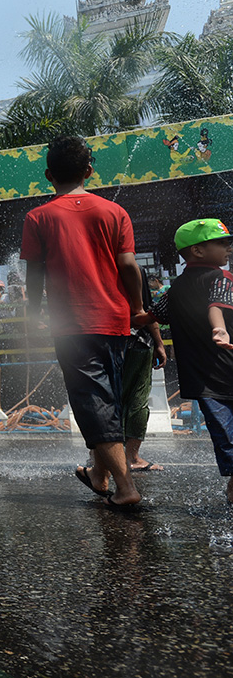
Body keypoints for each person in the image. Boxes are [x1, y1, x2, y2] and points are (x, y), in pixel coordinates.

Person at [21, 135, 146, 509]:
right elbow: (128, 266)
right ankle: (99, 475)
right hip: (116, 320)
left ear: (48, 175)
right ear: (89, 171)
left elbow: (35, 275)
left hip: (72, 324)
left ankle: (125, 488)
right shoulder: (113, 212)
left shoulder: (38, 217)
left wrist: (33, 312)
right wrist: (137, 308)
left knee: (94, 402)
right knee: (107, 399)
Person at [140, 219, 233, 502]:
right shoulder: (221, 278)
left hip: (202, 378)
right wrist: (219, 328)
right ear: (198, 251)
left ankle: (232, 487)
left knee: (224, 433)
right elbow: (215, 305)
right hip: (227, 369)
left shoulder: (176, 288)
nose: (228, 248)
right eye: (221, 243)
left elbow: (149, 316)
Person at [121, 267, 167, 473]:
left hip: (98, 342)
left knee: (106, 399)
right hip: (135, 343)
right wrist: (159, 343)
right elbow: (147, 312)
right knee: (137, 400)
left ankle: (100, 456)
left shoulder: (90, 267)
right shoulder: (132, 269)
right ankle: (132, 457)